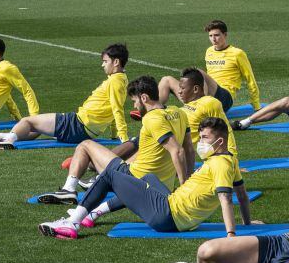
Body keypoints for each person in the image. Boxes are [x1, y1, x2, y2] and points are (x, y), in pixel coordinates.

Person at [40, 117, 253, 239]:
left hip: (167, 215)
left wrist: (231, 235)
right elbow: (241, 196)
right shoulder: (229, 160)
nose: (201, 142)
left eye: (206, 138)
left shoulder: (220, 164)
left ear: (221, 140)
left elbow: (226, 200)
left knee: (111, 175)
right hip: (173, 208)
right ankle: (95, 212)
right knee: (148, 178)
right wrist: (248, 223)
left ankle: (73, 223)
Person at [36, 76, 190, 206]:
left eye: (135, 101)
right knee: (136, 147)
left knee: (85, 145)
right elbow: (188, 149)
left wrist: (183, 189)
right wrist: (188, 183)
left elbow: (178, 150)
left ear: (144, 98)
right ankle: (95, 181)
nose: (135, 105)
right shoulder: (179, 113)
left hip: (134, 180)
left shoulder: (151, 118)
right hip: (160, 184)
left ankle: (68, 190)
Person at [0, 44, 130, 149]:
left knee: (27, 121)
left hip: (77, 125)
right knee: (38, 128)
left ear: (116, 62)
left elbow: (117, 110)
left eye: (105, 61)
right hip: (81, 126)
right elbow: (114, 108)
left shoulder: (115, 82)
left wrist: (123, 138)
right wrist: (114, 136)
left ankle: (8, 140)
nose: (102, 65)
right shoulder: (121, 80)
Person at [156, 20, 260, 114]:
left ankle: (201, 107)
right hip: (208, 94)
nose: (213, 39)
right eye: (210, 36)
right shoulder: (209, 51)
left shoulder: (237, 53)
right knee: (167, 80)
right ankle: (154, 110)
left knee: (197, 72)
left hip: (224, 97)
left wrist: (256, 106)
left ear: (225, 35)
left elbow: (250, 79)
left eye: (217, 35)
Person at [172, 67, 233, 144]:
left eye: (182, 88)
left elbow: (226, 130)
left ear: (195, 89)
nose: (179, 92)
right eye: (179, 88)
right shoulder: (186, 105)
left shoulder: (209, 102)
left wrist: (230, 155)